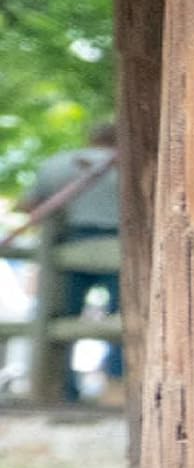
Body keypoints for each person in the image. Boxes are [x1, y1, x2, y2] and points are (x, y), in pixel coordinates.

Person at [18, 122, 121, 400]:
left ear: (91, 137)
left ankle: (60, 388)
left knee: (59, 316)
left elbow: (29, 205)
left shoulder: (57, 165)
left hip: (70, 242)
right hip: (121, 242)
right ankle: (117, 387)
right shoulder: (128, 165)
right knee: (124, 318)